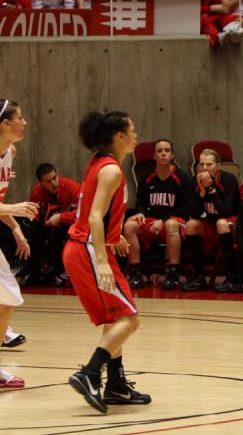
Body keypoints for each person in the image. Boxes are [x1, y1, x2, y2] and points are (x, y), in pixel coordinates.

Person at [63, 110, 150, 412]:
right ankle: (89, 373)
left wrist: (115, 238)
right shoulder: (111, 170)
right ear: (119, 136)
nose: (136, 135)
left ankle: (115, 385)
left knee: (116, 320)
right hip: (88, 249)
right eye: (132, 130)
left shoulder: (103, 165)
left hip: (89, 246)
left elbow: (100, 214)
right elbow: (95, 216)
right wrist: (101, 261)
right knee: (130, 320)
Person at [0, 99, 38, 389]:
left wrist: (15, 229)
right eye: (20, 117)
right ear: (5, 124)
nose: (24, 122)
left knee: (8, 299)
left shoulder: (9, 151)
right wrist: (14, 209)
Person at [122, 139, 192, 291]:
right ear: (154, 156)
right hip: (152, 221)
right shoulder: (147, 178)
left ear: (172, 155)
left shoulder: (183, 178)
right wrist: (140, 213)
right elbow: (140, 202)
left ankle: (173, 273)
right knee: (129, 225)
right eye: (159, 151)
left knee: (170, 224)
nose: (163, 154)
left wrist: (163, 220)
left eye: (167, 150)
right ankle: (135, 272)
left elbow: (185, 208)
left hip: (174, 222)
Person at [182, 149, 240, 292]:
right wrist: (202, 191)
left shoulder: (229, 179)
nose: (205, 168)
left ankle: (232, 277)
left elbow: (226, 211)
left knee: (221, 223)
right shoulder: (194, 180)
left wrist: (211, 189)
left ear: (218, 166)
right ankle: (198, 276)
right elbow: (193, 213)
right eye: (202, 164)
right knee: (190, 225)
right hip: (211, 222)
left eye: (209, 164)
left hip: (232, 223)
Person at [22, 163, 80, 287]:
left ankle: (64, 272)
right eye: (48, 181)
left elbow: (84, 213)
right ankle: (34, 271)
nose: (54, 183)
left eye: (55, 178)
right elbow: (34, 215)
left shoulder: (72, 187)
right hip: (47, 226)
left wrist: (61, 217)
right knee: (33, 229)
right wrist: (45, 220)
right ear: (41, 183)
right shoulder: (37, 192)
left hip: (70, 226)